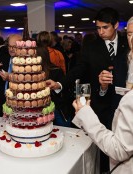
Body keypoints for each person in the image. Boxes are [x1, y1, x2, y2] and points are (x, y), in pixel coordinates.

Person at [46, 7, 129, 172]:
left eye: (105, 27)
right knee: (99, 147)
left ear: (116, 25)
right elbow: (79, 69)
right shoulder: (91, 45)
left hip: (124, 103)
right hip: (100, 104)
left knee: (122, 146)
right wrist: (60, 84)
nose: (101, 32)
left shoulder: (128, 42)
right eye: (98, 28)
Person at [72, 16, 133, 174]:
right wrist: (103, 86)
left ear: (116, 26)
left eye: (105, 27)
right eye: (130, 34)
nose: (132, 40)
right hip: (110, 116)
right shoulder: (96, 48)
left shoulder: (124, 49)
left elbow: (120, 149)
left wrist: (84, 112)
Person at [0, 34, 22, 116]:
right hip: (2, 102)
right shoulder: (4, 58)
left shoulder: (26, 63)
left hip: (18, 107)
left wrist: (10, 78)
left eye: (14, 46)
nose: (11, 49)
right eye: (9, 46)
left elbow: (26, 86)